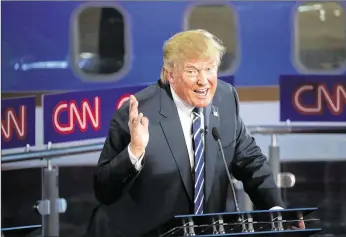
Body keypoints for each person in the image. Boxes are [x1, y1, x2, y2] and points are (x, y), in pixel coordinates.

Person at [90, 29, 304, 237]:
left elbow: (251, 162)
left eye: (210, 69)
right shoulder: (137, 113)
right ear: (170, 75)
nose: (203, 80)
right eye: (192, 71)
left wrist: (276, 211)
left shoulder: (226, 97)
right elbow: (104, 190)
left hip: (204, 232)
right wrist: (135, 151)